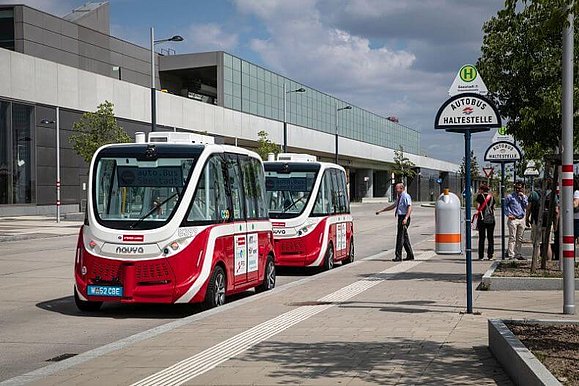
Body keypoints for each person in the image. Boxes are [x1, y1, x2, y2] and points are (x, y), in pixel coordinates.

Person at [376, 182, 414, 261]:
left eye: (397, 188)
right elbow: (393, 206)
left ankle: (398, 256)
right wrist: (381, 211)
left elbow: (410, 207)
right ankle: (410, 255)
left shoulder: (406, 196)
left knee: (400, 237)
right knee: (404, 237)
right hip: (401, 217)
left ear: (401, 188)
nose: (395, 190)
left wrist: (406, 218)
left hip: (404, 217)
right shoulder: (400, 197)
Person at [504, 181, 528, 260]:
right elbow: (504, 206)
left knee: (520, 238)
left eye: (520, 188)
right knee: (512, 237)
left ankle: (518, 253)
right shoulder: (510, 196)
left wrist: (523, 197)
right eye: (517, 188)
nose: (518, 189)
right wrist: (508, 214)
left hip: (521, 219)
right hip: (513, 219)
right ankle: (511, 254)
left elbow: (526, 205)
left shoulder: (524, 197)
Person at [475, 184, 495, 260]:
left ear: (482, 190)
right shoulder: (492, 197)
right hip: (491, 220)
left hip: (482, 219)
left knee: (482, 238)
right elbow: (494, 208)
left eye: (479, 189)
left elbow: (477, 207)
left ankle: (481, 256)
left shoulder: (480, 196)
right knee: (490, 238)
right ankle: (490, 255)